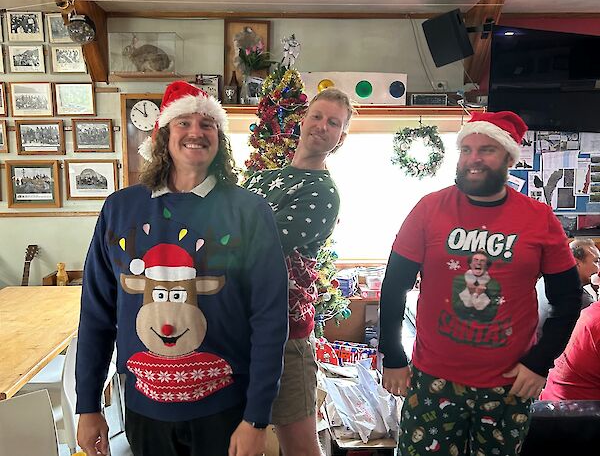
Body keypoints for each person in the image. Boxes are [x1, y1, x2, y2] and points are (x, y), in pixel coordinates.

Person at [75, 81, 289, 456]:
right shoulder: (120, 209)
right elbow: (96, 313)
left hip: (226, 410)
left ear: (219, 138)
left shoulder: (250, 212)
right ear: (163, 135)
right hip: (144, 410)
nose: (196, 131)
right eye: (183, 122)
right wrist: (88, 404)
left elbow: (270, 319)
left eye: (207, 123)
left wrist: (257, 417)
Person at [379, 110, 582, 456]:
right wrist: (393, 355)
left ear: (507, 157)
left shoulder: (539, 219)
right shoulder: (428, 209)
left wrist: (539, 363)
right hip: (431, 379)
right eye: (466, 149)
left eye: (486, 150)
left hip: (508, 386)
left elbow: (567, 299)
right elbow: (395, 285)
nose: (474, 159)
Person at [244, 87, 354, 456]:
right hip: (239, 330)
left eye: (334, 123)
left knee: (299, 447)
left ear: (341, 137)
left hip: (286, 335)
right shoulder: (261, 180)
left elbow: (257, 243)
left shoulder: (323, 194)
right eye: (318, 116)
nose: (322, 126)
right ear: (303, 121)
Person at [536, 238, 600, 338]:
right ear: (576, 263)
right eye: (596, 261)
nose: (599, 268)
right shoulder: (580, 300)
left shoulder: (547, 278)